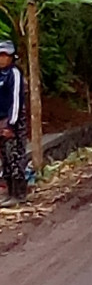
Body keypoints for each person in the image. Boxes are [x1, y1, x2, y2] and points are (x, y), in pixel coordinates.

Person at [0, 40, 27, 202]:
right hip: (1, 121)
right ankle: (10, 192)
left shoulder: (14, 74)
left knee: (15, 156)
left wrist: (11, 124)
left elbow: (16, 101)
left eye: (5, 55)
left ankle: (20, 194)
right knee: (5, 158)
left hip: (13, 122)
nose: (2, 59)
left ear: (12, 57)